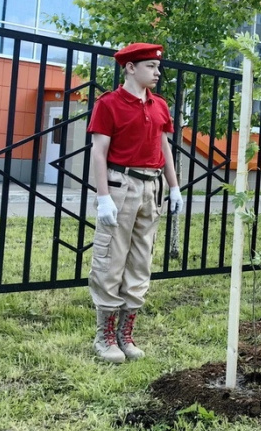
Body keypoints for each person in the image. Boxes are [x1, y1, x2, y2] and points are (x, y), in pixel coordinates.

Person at [87, 43, 183, 363]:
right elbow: (99, 152)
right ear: (130, 68)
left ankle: (125, 335)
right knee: (111, 259)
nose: (157, 73)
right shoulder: (109, 104)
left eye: (157, 67)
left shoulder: (159, 105)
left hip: (151, 187)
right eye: (151, 67)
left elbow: (164, 146)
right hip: (120, 184)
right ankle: (105, 338)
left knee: (141, 261)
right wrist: (103, 198)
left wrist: (174, 187)